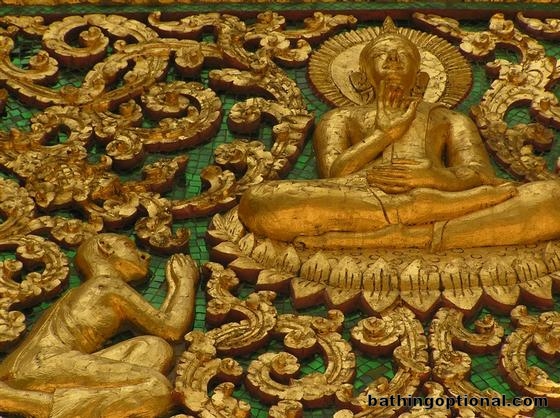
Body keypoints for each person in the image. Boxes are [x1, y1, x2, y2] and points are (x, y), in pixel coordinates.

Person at [238, 18, 560, 250]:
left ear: (420, 78)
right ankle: (430, 215)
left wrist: (435, 177)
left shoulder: (448, 118)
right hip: (364, 199)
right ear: (361, 77)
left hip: (438, 192)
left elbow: (480, 174)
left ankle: (412, 231)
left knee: (552, 198)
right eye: (381, 55)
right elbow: (335, 174)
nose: (392, 59)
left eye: (402, 55)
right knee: (259, 201)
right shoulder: (341, 118)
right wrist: (383, 134)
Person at [0, 233, 199, 418]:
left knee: (155, 348)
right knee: (157, 389)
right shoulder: (107, 285)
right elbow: (172, 328)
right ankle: (26, 401)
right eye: (129, 246)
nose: (144, 255)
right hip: (42, 363)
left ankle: (96, 404)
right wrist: (185, 280)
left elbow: (163, 331)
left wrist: (173, 288)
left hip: (36, 364)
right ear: (105, 247)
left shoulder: (85, 290)